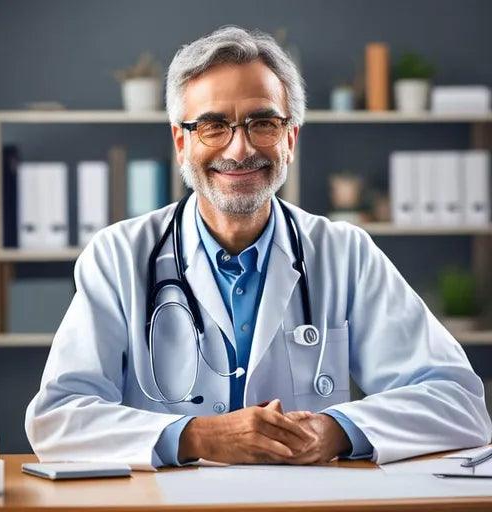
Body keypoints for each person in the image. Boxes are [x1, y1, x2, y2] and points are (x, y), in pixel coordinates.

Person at [26, 26, 491, 468]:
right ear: (180, 142)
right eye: (213, 126)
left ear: (290, 137)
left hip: (304, 507)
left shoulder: (344, 252)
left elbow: (460, 401)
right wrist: (199, 436)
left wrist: (338, 429)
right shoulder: (119, 256)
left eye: (262, 123)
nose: (238, 148)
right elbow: (58, 418)